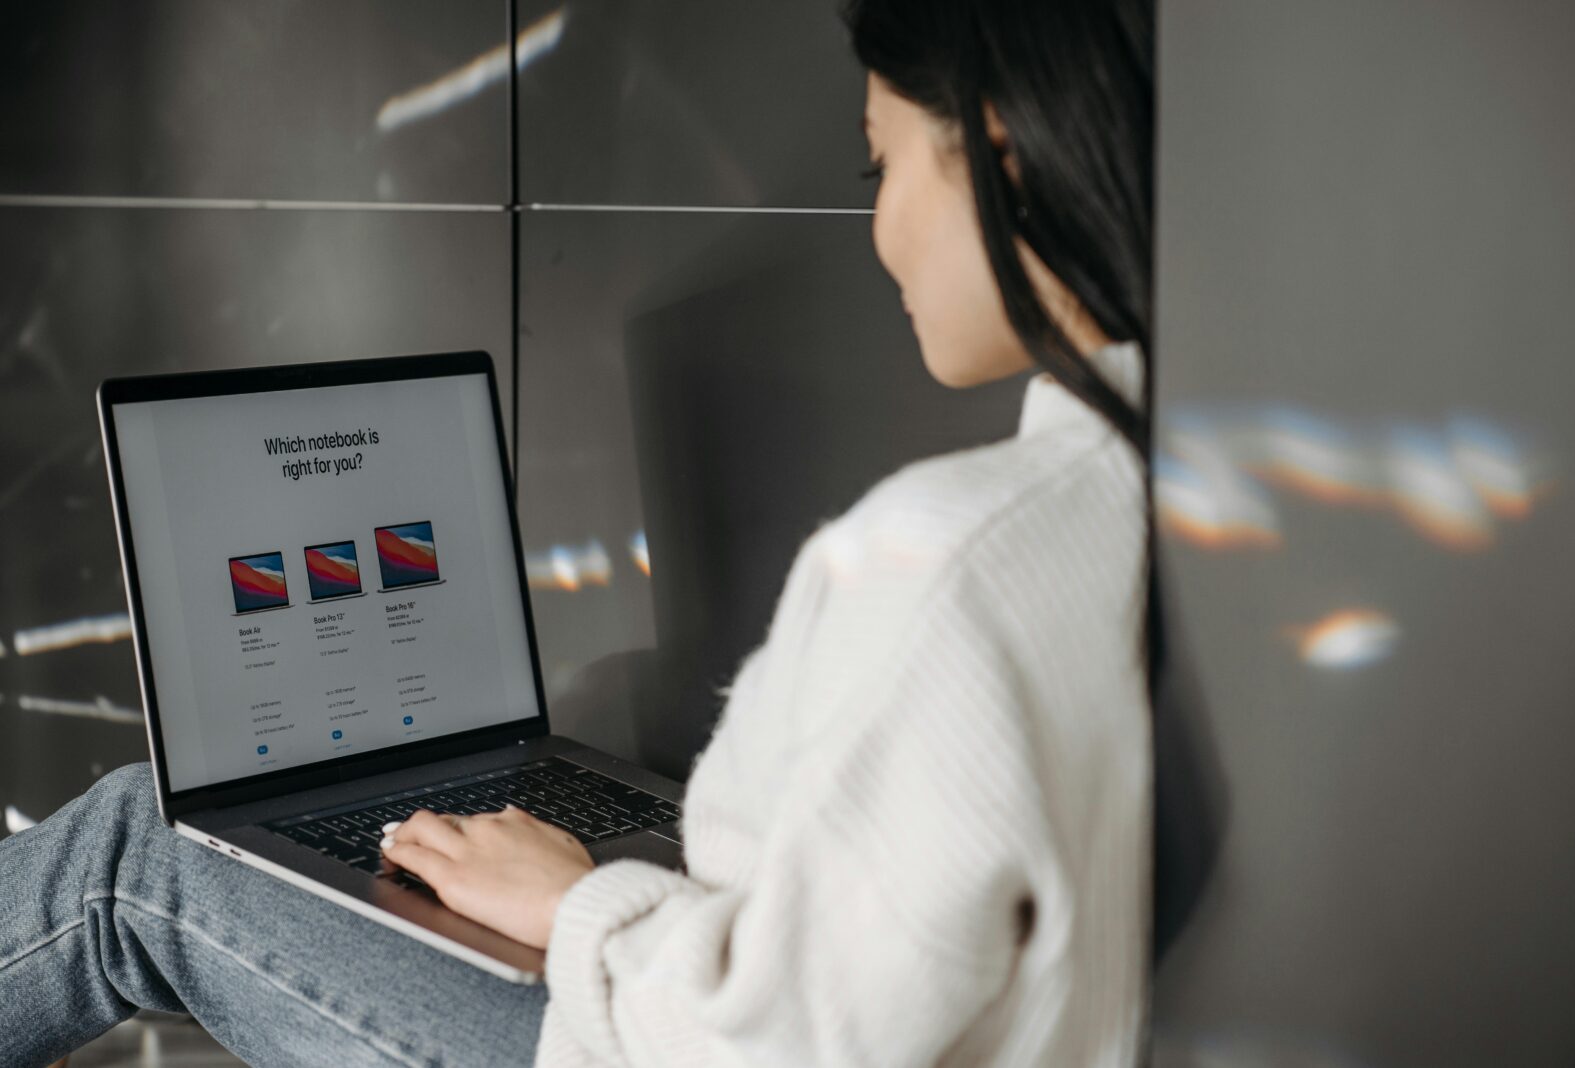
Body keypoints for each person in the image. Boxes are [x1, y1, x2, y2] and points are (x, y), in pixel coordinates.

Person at [0, 0, 1154, 1063]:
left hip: (624, 1036)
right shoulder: (1144, 488)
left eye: (881, 160)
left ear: (998, 153)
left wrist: (575, 905)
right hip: (677, 965)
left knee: (131, 850)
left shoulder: (942, 557)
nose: (880, 225)